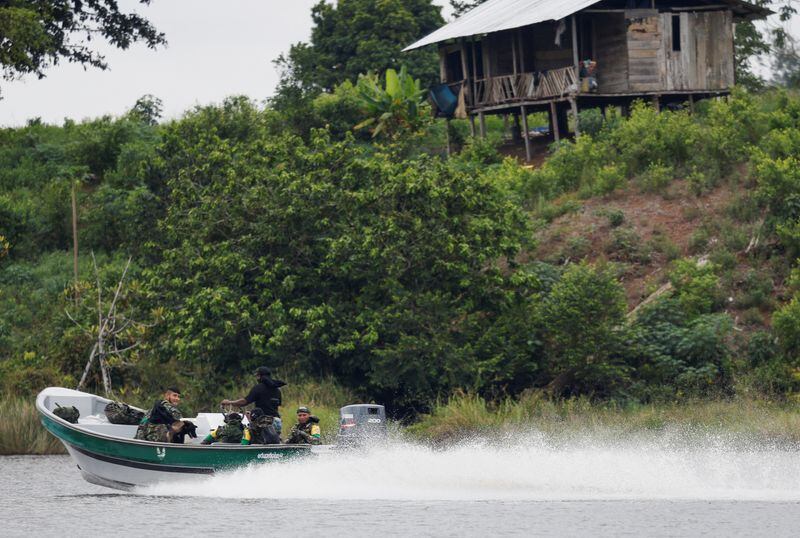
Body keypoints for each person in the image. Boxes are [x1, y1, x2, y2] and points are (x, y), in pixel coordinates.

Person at [221, 366, 286, 433]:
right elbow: (273, 408)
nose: (256, 378)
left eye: (257, 376)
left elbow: (244, 402)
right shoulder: (277, 390)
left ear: (260, 376)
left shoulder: (258, 388)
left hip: (264, 423)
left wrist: (229, 402)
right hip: (277, 422)